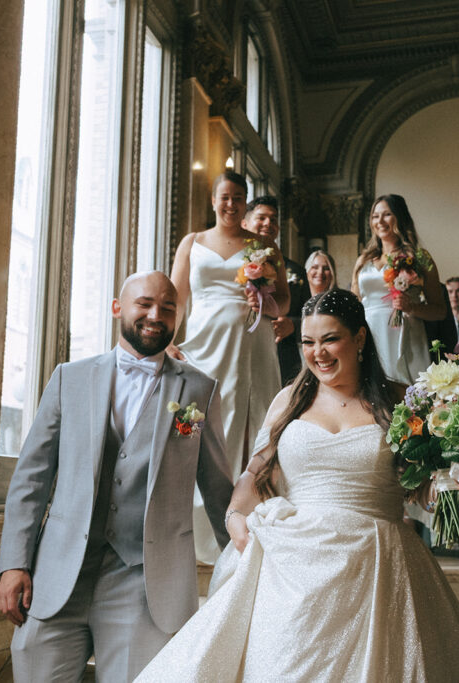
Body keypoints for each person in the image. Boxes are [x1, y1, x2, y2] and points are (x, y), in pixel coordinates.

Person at [135, 289, 459, 682]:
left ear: (359, 339)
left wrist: (451, 481)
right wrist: (236, 514)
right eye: (307, 342)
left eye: (329, 339)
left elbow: (418, 487)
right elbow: (256, 474)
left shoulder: (399, 401)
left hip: (375, 559)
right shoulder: (290, 400)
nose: (317, 352)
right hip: (293, 561)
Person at [0, 271, 234, 682]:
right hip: (56, 577)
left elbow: (218, 491)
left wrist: (241, 563)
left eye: (167, 308)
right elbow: (31, 479)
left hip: (144, 585)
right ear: (117, 308)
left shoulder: (199, 391)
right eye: (144, 303)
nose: (155, 315)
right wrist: (14, 563)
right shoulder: (68, 379)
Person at [168, 171, 290, 563]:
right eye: (225, 196)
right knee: (200, 424)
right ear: (214, 199)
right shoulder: (193, 242)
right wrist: (168, 341)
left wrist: (265, 304)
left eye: (239, 197)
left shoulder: (264, 245)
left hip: (249, 345)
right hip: (205, 345)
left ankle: (247, 521)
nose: (231, 204)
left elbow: (284, 302)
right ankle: (194, 528)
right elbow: (178, 298)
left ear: (245, 202)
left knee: (250, 423)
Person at [351, 194, 448, 385]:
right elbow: (355, 305)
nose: (380, 221)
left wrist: (411, 307)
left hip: (406, 333)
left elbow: (440, 310)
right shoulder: (363, 260)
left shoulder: (419, 257)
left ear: (400, 217)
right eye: (375, 216)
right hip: (371, 332)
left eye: (386, 214)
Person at [243, 195, 310, 386]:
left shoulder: (295, 270)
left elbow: (310, 316)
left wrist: (293, 325)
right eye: (261, 218)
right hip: (244, 349)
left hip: (283, 357)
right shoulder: (233, 266)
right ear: (245, 223)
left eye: (273, 220)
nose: (268, 224)